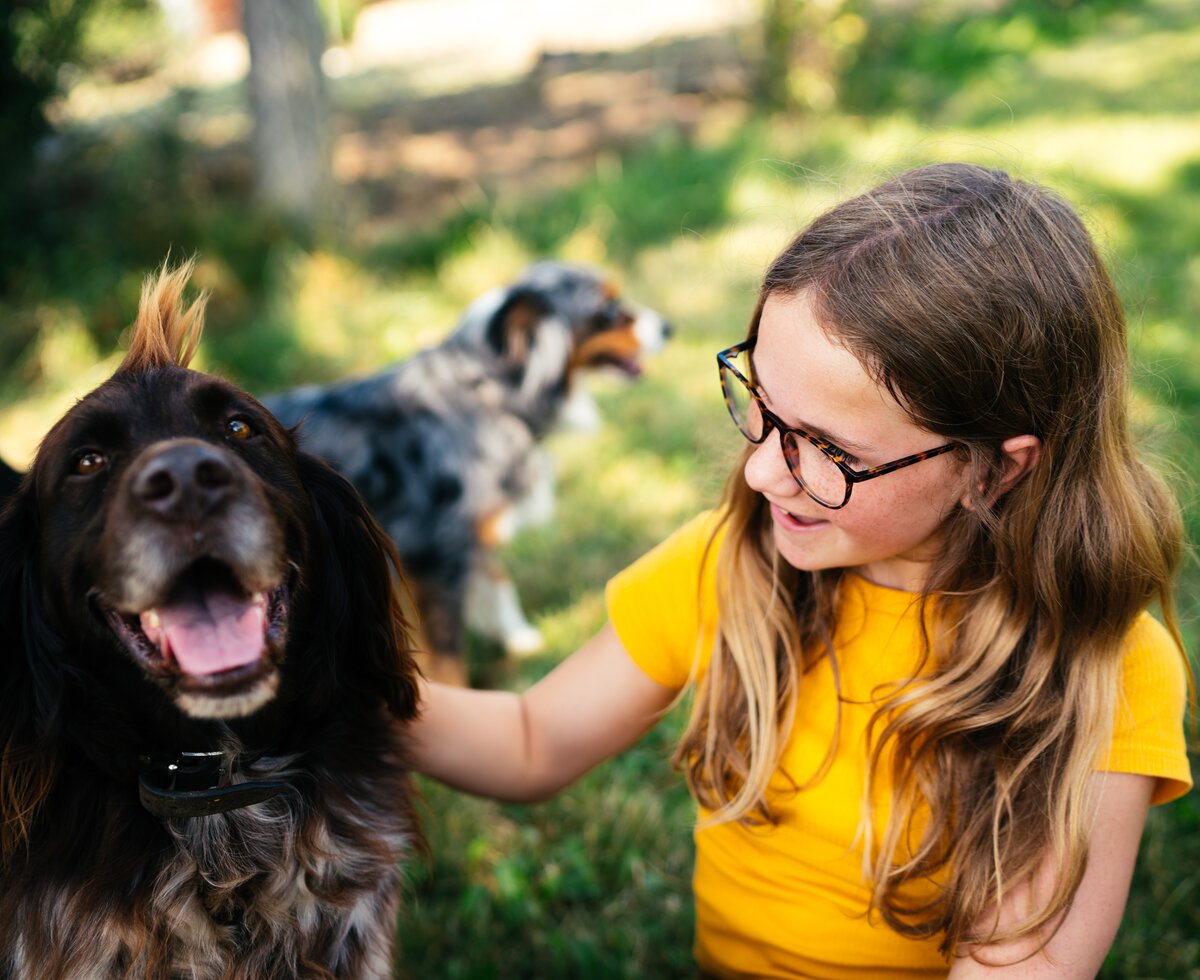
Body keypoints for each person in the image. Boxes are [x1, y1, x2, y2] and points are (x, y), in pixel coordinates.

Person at [412, 162, 1192, 977]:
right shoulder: (731, 560)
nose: (760, 474)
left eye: (828, 450)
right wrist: (332, 689)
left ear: (994, 470)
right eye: (763, 406)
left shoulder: (1106, 671)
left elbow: (1019, 965)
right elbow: (533, 743)